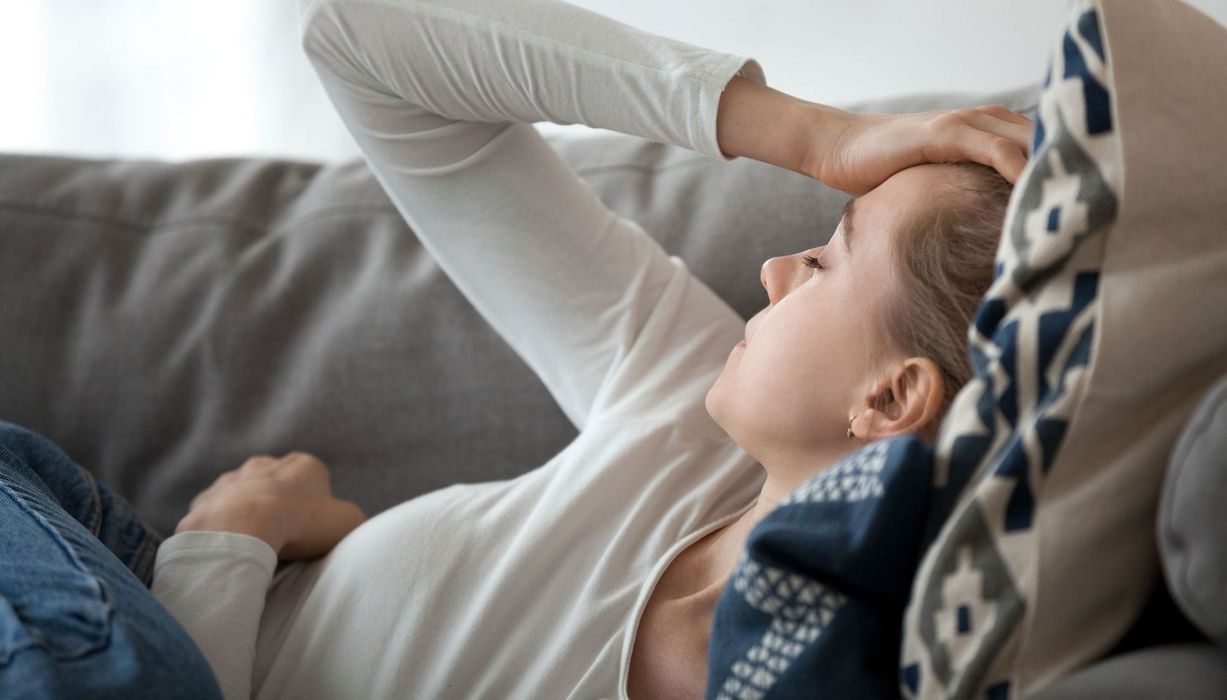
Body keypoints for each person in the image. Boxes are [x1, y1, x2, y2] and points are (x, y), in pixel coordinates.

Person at [0, 0, 1031, 697]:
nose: (771, 270)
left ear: (891, 397)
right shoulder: (678, 400)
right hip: (79, 571)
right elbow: (362, 35)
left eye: (826, 259)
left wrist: (226, 545)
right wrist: (811, 134)